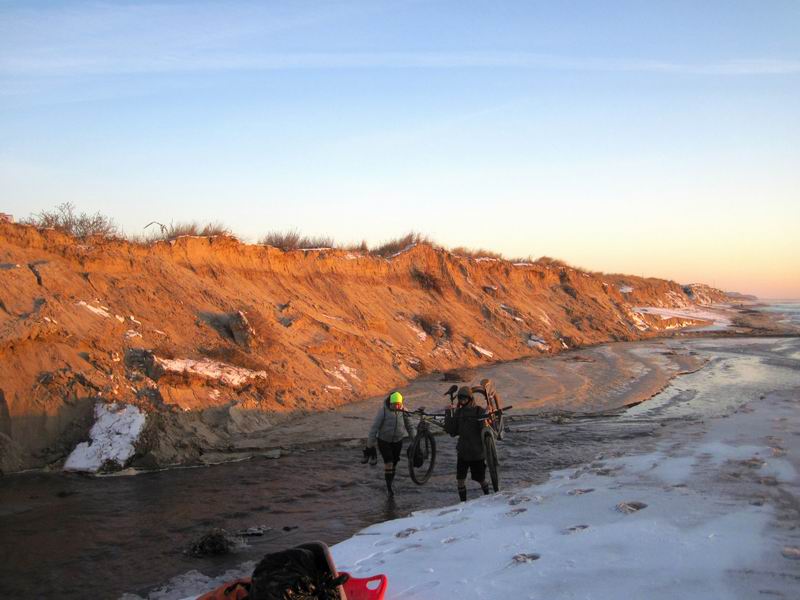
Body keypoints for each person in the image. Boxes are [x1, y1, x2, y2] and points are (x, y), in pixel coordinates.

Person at [444, 385, 491, 501]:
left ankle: (489, 497)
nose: (462, 401)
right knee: (460, 480)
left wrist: (487, 415)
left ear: (470, 398)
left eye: (464, 398)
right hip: (463, 453)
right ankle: (463, 503)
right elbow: (452, 431)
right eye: (460, 398)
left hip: (477, 454)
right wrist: (448, 413)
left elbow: (485, 430)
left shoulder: (479, 411)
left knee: (481, 480)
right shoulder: (459, 412)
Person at [364, 391, 414, 497]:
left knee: (394, 463)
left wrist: (415, 440)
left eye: (399, 404)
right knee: (389, 461)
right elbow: (374, 428)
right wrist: (369, 445)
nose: (397, 406)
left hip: (398, 441)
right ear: (391, 403)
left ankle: (390, 481)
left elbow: (410, 426)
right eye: (395, 404)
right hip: (384, 441)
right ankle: (389, 487)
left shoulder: (404, 411)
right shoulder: (383, 411)